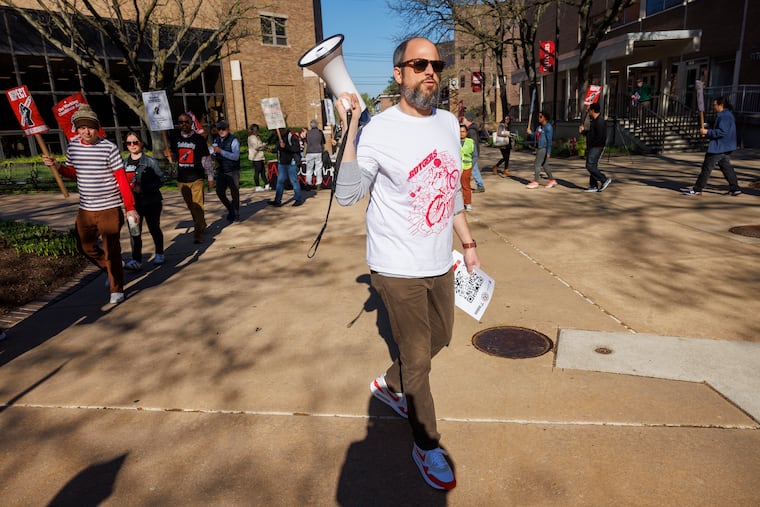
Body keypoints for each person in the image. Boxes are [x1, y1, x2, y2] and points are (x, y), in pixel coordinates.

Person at [335, 37, 480, 491]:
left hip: (441, 261)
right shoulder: (379, 129)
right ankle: (427, 444)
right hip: (396, 266)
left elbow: (450, 189)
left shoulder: (447, 122)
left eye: (436, 64)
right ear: (399, 73)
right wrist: (351, 132)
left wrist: (469, 243)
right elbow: (348, 195)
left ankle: (389, 383)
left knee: (443, 337)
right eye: (419, 64)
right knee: (419, 357)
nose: (430, 72)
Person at [42, 104, 138, 304]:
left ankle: (116, 288)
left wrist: (130, 208)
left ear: (97, 128)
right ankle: (111, 267)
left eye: (90, 127)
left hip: (109, 208)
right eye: (81, 127)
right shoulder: (73, 147)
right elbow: (73, 172)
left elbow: (121, 179)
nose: (86, 131)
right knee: (85, 247)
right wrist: (58, 166)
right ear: (76, 129)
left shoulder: (109, 148)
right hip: (86, 209)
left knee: (112, 248)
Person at [681, 97, 742, 196]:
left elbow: (722, 132)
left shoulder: (724, 116)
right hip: (725, 146)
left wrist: (707, 132)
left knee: (707, 168)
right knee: (726, 168)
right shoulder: (726, 115)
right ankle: (735, 188)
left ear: (720, 105)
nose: (713, 107)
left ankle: (698, 189)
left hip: (719, 147)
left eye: (714, 105)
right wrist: (708, 126)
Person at [123, 130, 165, 269]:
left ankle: (159, 253)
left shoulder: (150, 161)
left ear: (141, 143)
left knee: (154, 228)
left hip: (151, 202)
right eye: (129, 143)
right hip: (133, 205)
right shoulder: (123, 163)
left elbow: (162, 179)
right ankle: (136, 260)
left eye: (135, 142)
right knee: (135, 232)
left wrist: (144, 188)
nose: (132, 145)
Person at [164, 113, 209, 243]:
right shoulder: (174, 137)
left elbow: (205, 158)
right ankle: (201, 222)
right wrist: (168, 154)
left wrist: (210, 176)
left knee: (198, 205)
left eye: (186, 122)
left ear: (191, 123)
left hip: (197, 177)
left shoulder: (199, 139)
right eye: (181, 122)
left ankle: (198, 232)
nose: (184, 124)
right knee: (191, 206)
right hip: (182, 179)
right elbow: (173, 156)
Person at [578, 103, 612, 192]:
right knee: (593, 166)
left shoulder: (600, 121)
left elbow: (600, 137)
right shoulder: (595, 120)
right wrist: (583, 132)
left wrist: (593, 145)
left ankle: (604, 179)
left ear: (593, 110)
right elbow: (591, 134)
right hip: (593, 146)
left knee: (589, 166)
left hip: (596, 146)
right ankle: (593, 185)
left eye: (589, 110)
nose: (587, 111)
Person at [211, 120, 241, 222]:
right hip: (221, 170)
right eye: (219, 129)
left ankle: (235, 211)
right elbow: (215, 153)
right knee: (219, 192)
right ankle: (230, 209)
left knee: (234, 192)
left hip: (232, 170)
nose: (221, 131)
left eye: (223, 129)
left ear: (228, 129)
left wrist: (221, 151)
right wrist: (213, 156)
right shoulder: (216, 141)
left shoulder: (234, 140)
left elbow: (236, 156)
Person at [267, 128, 304, 207]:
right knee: (280, 181)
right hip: (282, 163)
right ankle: (277, 200)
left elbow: (296, 148)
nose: (275, 133)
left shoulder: (292, 136)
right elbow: (279, 148)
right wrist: (273, 150)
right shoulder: (278, 137)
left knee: (294, 181)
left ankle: (298, 199)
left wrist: (285, 146)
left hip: (291, 162)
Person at [525, 111, 557, 189]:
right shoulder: (540, 127)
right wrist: (530, 133)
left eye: (540, 117)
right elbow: (535, 136)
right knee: (544, 165)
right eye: (539, 116)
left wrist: (548, 152)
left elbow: (549, 140)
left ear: (545, 118)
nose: (539, 118)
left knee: (537, 164)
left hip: (543, 148)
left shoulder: (548, 127)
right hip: (539, 147)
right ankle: (552, 180)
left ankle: (536, 182)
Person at [462, 115, 485, 192]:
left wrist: (472, 153)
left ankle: (480, 186)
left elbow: (472, 143)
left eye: (464, 120)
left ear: (467, 121)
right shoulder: (472, 129)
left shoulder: (471, 131)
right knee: (474, 169)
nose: (463, 121)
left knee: (474, 169)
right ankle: (480, 185)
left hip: (472, 154)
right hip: (472, 153)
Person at [303, 119, 325, 190]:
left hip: (310, 152)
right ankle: (318, 183)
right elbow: (323, 142)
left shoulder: (308, 133)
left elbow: (306, 142)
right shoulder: (320, 132)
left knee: (309, 169)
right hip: (318, 151)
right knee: (318, 168)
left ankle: (308, 183)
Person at [248, 124, 269, 191]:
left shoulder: (257, 137)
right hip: (256, 157)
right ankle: (257, 186)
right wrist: (264, 145)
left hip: (260, 156)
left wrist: (263, 145)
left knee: (263, 171)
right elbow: (256, 147)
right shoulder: (252, 138)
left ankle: (266, 184)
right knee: (257, 171)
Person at [460, 124, 474, 211]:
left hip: (467, 167)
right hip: (456, 167)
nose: (461, 133)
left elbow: (475, 155)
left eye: (463, 131)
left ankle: (467, 203)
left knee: (466, 186)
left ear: (466, 132)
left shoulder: (470, 142)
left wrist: (473, 164)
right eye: (459, 131)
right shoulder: (453, 140)